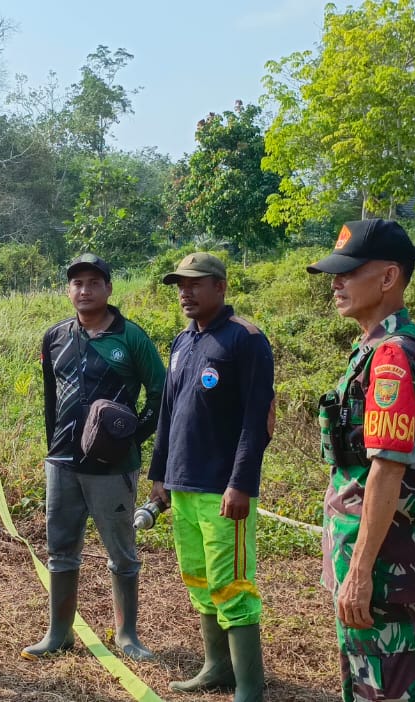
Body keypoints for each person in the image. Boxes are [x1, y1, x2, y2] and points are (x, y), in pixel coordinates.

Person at [306, 219, 415, 702]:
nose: (336, 282)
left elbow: (386, 470)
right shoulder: (378, 349)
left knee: (387, 691)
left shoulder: (392, 356)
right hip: (377, 561)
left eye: (348, 272)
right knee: (369, 686)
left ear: (388, 278)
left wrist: (361, 573)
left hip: (386, 568)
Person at [22, 254, 167, 662]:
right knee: (60, 549)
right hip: (63, 463)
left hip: (113, 469)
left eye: (92, 283)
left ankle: (127, 636)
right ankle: (58, 633)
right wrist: (55, 447)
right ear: (69, 291)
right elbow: (51, 401)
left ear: (108, 288)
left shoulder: (131, 338)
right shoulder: (55, 337)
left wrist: (132, 438)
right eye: (76, 284)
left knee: (122, 553)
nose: (84, 290)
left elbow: (160, 395)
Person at [147, 252, 273, 702]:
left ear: (220, 286)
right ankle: (217, 668)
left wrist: (241, 483)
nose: (186, 292)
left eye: (195, 283)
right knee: (199, 579)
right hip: (182, 485)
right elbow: (168, 412)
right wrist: (159, 475)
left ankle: (250, 688)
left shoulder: (245, 339)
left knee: (232, 583)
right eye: (180, 284)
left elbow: (257, 419)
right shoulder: (183, 342)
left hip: (224, 489)